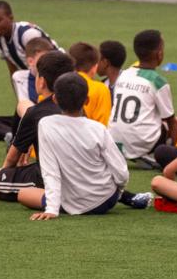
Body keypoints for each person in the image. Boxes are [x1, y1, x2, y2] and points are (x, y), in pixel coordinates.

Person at [15, 73, 129, 220]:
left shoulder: (46, 124)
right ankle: (125, 196)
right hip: (106, 201)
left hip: (68, 204)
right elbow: (121, 171)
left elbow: (50, 171)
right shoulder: (98, 128)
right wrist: (119, 190)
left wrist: (51, 209)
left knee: (23, 194)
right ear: (86, 100)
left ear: (54, 99)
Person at [0, 50, 76, 204]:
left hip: (48, 177)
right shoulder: (76, 108)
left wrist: (5, 173)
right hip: (81, 176)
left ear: (41, 82)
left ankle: (50, 198)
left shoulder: (36, 113)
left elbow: (12, 158)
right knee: (23, 105)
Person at [108, 29, 177, 167]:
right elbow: (172, 122)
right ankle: (154, 156)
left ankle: (131, 151)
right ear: (159, 54)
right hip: (143, 142)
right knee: (169, 123)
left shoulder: (124, 74)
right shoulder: (158, 81)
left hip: (113, 140)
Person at [0, 36, 56, 141]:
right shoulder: (20, 77)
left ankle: (18, 137)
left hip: (49, 118)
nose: (46, 62)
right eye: (43, 59)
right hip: (30, 117)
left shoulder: (55, 75)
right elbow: (25, 108)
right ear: (30, 61)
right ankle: (11, 135)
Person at [0, 0, 58, 87]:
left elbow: (47, 62)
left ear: (11, 18)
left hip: (57, 73)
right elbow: (13, 70)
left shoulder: (27, 34)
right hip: (35, 77)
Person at [67, 42, 112, 128]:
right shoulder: (100, 89)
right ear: (94, 67)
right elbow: (103, 125)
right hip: (89, 139)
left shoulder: (59, 84)